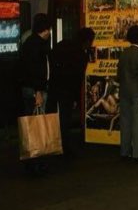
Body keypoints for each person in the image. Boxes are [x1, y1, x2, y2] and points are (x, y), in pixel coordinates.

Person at [47, 27, 95, 157]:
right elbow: (77, 78)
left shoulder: (63, 44)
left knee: (50, 115)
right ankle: (64, 146)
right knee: (65, 118)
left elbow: (51, 56)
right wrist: (75, 98)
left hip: (54, 85)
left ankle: (49, 143)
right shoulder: (81, 55)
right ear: (87, 41)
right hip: (67, 90)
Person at [20, 13, 52, 176]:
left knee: (30, 124)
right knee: (37, 126)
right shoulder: (38, 45)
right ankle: (36, 162)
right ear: (46, 29)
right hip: (35, 90)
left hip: (28, 89)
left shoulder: (28, 43)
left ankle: (30, 160)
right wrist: (38, 91)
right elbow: (36, 71)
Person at [117, 25, 138, 162]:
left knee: (125, 123)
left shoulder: (124, 53)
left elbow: (119, 75)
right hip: (137, 94)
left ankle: (124, 151)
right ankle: (137, 153)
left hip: (124, 92)